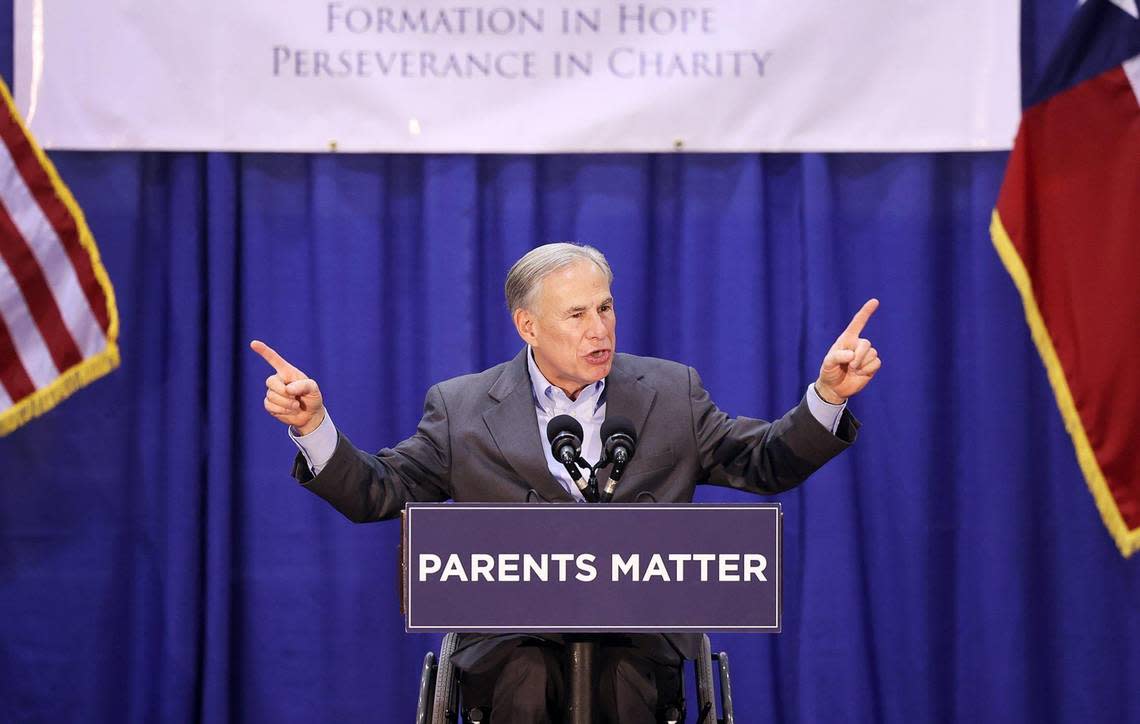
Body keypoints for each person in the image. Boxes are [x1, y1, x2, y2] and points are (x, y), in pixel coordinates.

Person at [252, 243, 880, 723]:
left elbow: (765, 461)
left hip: (638, 633)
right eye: (576, 314)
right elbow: (379, 490)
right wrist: (314, 428)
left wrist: (826, 398)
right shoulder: (462, 407)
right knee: (523, 680)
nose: (599, 330)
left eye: (605, 308)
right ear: (528, 326)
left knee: (626, 685)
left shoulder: (671, 393)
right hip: (509, 637)